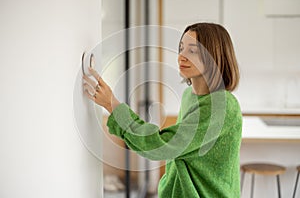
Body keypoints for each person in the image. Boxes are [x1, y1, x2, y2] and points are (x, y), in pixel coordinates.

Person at [83, 22, 242, 198]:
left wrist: (112, 105)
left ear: (214, 55)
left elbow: (162, 145)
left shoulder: (222, 106)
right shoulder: (190, 95)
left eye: (192, 51)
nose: (181, 56)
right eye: (181, 48)